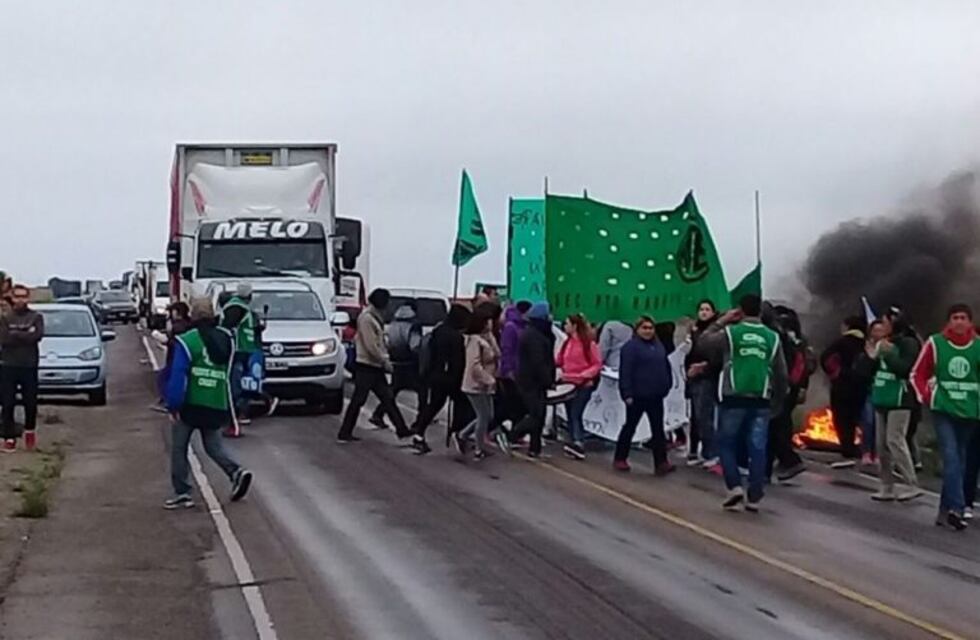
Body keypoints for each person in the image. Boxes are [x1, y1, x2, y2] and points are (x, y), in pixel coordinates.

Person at [163, 297, 253, 509]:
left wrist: (173, 405)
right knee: (213, 447)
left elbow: (178, 375)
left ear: (192, 314)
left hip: (190, 404)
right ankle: (236, 472)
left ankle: (182, 492)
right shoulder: (226, 340)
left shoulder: (187, 341)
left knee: (179, 448)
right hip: (216, 400)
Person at [702, 295, 787, 512]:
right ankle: (755, 495)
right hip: (761, 399)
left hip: (733, 398)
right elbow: (781, 373)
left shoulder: (731, 333)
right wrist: (777, 402)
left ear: (740, 310)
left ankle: (735, 487)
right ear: (760, 311)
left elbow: (704, 341)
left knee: (726, 444)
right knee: (757, 448)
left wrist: (723, 320)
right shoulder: (772, 337)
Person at [910, 303, 980, 531]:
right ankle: (957, 509)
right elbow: (917, 374)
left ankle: (943, 510)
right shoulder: (935, 343)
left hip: (969, 411)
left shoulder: (978, 346)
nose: (959, 321)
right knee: (950, 456)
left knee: (959, 459)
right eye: (955, 317)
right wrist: (927, 397)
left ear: (970, 322)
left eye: (963, 318)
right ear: (949, 321)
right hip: (943, 410)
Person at [338, 289, 413, 443]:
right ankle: (344, 432)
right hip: (367, 365)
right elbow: (371, 345)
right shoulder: (367, 319)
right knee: (360, 400)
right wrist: (384, 361)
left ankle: (402, 430)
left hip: (373, 365)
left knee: (387, 398)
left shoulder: (374, 317)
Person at [866, 314, 922, 502]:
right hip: (882, 396)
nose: (882, 326)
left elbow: (905, 369)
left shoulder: (909, 343)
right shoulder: (884, 342)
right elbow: (871, 368)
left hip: (900, 399)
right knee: (881, 445)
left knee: (895, 440)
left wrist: (888, 353)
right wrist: (870, 356)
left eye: (886, 322)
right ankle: (886, 485)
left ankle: (911, 483)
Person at [613, 316, 673, 474]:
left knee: (658, 430)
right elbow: (625, 372)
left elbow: (665, 367)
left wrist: (667, 385)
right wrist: (627, 393)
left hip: (656, 395)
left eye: (650, 328)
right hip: (637, 396)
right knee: (630, 427)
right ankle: (620, 457)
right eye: (644, 328)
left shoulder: (658, 346)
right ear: (637, 329)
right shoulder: (630, 348)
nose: (648, 331)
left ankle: (661, 463)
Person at [411, 304, 472, 454]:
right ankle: (458, 431)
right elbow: (458, 362)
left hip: (435, 374)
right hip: (450, 377)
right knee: (462, 403)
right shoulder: (456, 337)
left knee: (434, 404)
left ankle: (419, 432)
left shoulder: (438, 331)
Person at [767, 304, 812, 482]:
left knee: (776, 426)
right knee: (780, 424)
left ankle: (790, 461)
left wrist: (791, 384)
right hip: (788, 386)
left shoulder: (783, 338)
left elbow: (798, 364)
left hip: (784, 386)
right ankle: (773, 463)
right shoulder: (796, 339)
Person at [509, 302, 556, 458]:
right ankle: (514, 433)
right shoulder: (534, 336)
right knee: (536, 415)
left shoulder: (534, 333)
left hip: (531, 380)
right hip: (531, 381)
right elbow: (539, 362)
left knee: (538, 415)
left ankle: (534, 448)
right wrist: (548, 379)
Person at [0, 285, 44, 452]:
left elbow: (37, 336)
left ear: (28, 298)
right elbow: (4, 339)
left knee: (30, 402)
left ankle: (30, 432)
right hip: (8, 365)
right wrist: (26, 333)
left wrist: (16, 334)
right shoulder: (5, 318)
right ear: (12, 298)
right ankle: (9, 437)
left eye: (23, 297)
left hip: (29, 365)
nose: (20, 300)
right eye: (17, 297)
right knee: (8, 402)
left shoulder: (36, 316)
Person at [820, 316, 868, 468]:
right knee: (856, 418)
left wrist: (836, 374)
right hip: (862, 386)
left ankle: (847, 450)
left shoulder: (841, 342)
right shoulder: (867, 343)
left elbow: (825, 358)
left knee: (842, 419)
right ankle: (860, 449)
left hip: (842, 386)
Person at [453, 310, 501, 460]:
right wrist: (489, 379)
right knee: (483, 415)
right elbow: (474, 366)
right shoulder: (474, 341)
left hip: (485, 384)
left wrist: (491, 338)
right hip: (475, 384)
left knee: (488, 415)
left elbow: (497, 354)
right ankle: (479, 448)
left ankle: (463, 435)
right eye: (488, 321)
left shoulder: (485, 338)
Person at [369, 302, 424, 429]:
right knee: (422, 391)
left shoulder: (392, 324)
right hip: (411, 363)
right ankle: (420, 421)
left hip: (396, 362)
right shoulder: (413, 326)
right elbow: (414, 345)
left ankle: (378, 414)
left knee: (393, 390)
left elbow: (387, 342)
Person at [557, 314, 602, 460]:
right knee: (570, 414)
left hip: (583, 384)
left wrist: (583, 375)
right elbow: (559, 360)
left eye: (567, 324)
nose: (565, 327)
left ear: (575, 326)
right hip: (568, 383)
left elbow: (597, 364)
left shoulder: (588, 344)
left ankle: (578, 442)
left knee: (576, 413)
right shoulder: (567, 343)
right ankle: (573, 440)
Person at [220, 283, 261, 436]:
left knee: (239, 381)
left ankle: (236, 415)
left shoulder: (241, 307)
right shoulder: (237, 307)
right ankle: (234, 417)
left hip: (243, 350)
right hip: (237, 350)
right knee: (233, 383)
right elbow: (227, 327)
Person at [685, 300, 719, 468]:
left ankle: (709, 451)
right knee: (695, 416)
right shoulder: (693, 330)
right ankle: (692, 450)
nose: (704, 312)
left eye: (707, 309)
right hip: (692, 378)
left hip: (707, 378)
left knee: (705, 415)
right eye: (701, 309)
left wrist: (703, 368)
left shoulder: (715, 333)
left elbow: (716, 358)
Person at [495, 301, 531, 432]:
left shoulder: (524, 326)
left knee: (519, 405)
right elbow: (507, 350)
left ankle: (516, 432)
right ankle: (489, 429)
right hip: (509, 373)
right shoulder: (511, 327)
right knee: (510, 405)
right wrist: (507, 369)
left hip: (520, 372)